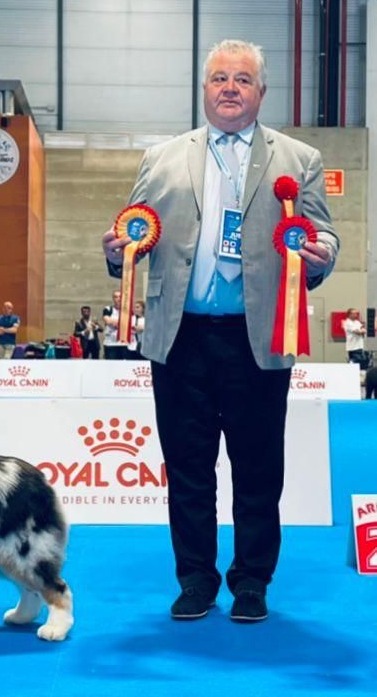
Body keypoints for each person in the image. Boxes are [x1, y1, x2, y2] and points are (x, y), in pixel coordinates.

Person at [102, 39, 338, 623]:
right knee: (187, 465)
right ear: (203, 89)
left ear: (262, 92)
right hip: (179, 337)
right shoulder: (160, 156)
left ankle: (252, 581)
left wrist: (318, 255)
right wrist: (115, 252)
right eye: (218, 79)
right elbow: (132, 235)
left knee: (259, 468)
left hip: (257, 336)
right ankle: (196, 580)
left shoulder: (299, 158)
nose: (229, 88)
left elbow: (325, 238)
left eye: (242, 79)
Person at [102, 290, 127, 360]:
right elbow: (107, 320)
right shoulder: (108, 309)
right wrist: (122, 323)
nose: (118, 299)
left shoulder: (127, 311)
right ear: (113, 299)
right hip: (110, 343)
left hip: (123, 344)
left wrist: (116, 322)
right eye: (116, 297)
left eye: (120, 297)